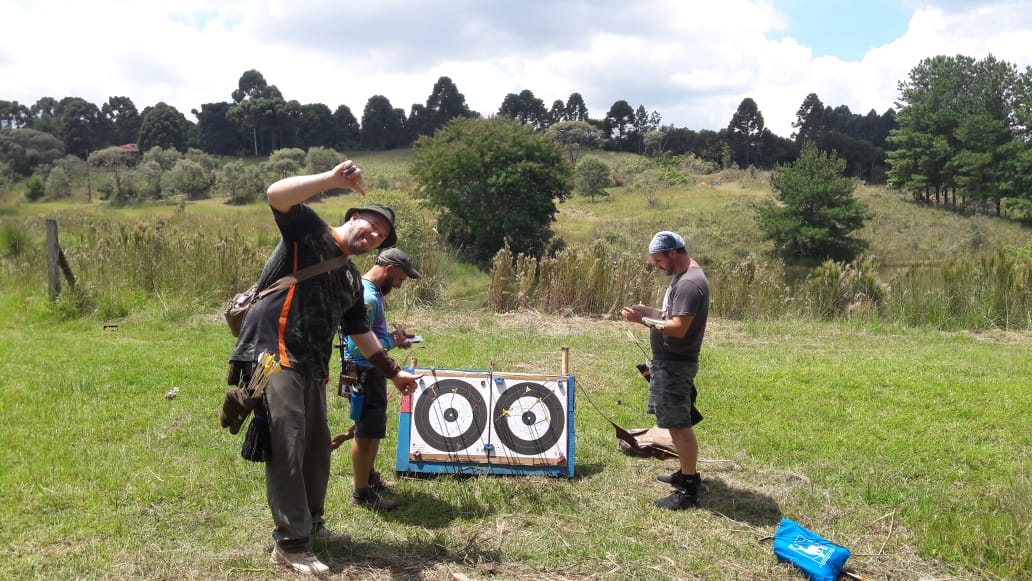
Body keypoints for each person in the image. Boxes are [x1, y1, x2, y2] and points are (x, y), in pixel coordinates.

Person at [229, 160, 422, 576]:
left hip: (312, 367)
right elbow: (276, 194)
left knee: (316, 450)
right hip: (272, 356)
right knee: (287, 446)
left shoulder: (351, 279)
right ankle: (290, 544)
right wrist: (331, 180)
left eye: (381, 236)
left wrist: (394, 373)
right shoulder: (309, 233)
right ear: (353, 217)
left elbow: (361, 332)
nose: (374, 236)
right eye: (371, 226)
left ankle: (313, 525)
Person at [621, 230, 709, 510]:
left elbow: (679, 328)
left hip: (675, 364)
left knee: (679, 425)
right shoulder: (682, 277)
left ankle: (688, 488)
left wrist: (642, 320)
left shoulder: (689, 283)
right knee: (673, 422)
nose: (657, 266)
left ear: (673, 253)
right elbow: (670, 317)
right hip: (668, 362)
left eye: (659, 260)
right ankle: (685, 472)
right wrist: (647, 312)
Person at [339, 248, 422, 511]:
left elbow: (370, 335)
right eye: (399, 278)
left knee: (373, 429)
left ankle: (370, 478)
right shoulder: (368, 297)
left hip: (371, 370)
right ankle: (361, 493)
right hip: (363, 372)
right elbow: (356, 346)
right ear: (388, 269)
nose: (399, 284)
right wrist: (390, 342)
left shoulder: (370, 292)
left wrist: (393, 340)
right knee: (365, 434)